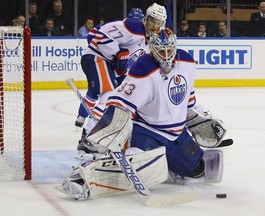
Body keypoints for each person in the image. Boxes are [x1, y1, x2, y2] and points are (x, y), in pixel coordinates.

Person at [57, 28, 226, 200]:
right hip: (147, 131)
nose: (166, 54)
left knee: (196, 171)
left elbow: (189, 100)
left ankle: (166, 167)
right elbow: (119, 104)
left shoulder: (187, 63)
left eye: (169, 49)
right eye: (161, 50)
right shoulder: (143, 69)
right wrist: (109, 132)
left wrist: (203, 118)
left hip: (176, 134)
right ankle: (85, 177)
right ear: (152, 49)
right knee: (138, 165)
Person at [74, 3, 167, 129]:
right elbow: (100, 35)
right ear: (146, 18)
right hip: (96, 58)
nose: (155, 26)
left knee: (106, 94)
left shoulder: (151, 41)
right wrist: (116, 55)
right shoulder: (134, 27)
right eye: (152, 21)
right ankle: (89, 133)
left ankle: (85, 121)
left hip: (107, 65)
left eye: (159, 23)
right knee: (108, 94)